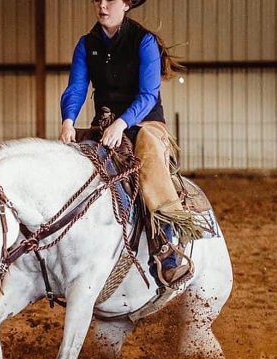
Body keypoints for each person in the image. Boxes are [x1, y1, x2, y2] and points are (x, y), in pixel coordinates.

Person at [59, 0, 200, 287]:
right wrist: (68, 121)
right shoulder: (86, 44)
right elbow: (76, 87)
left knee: (148, 154)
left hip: (145, 124)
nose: (102, 5)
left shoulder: (144, 41)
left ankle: (167, 248)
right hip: (106, 126)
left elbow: (149, 95)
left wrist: (122, 123)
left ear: (126, 4)